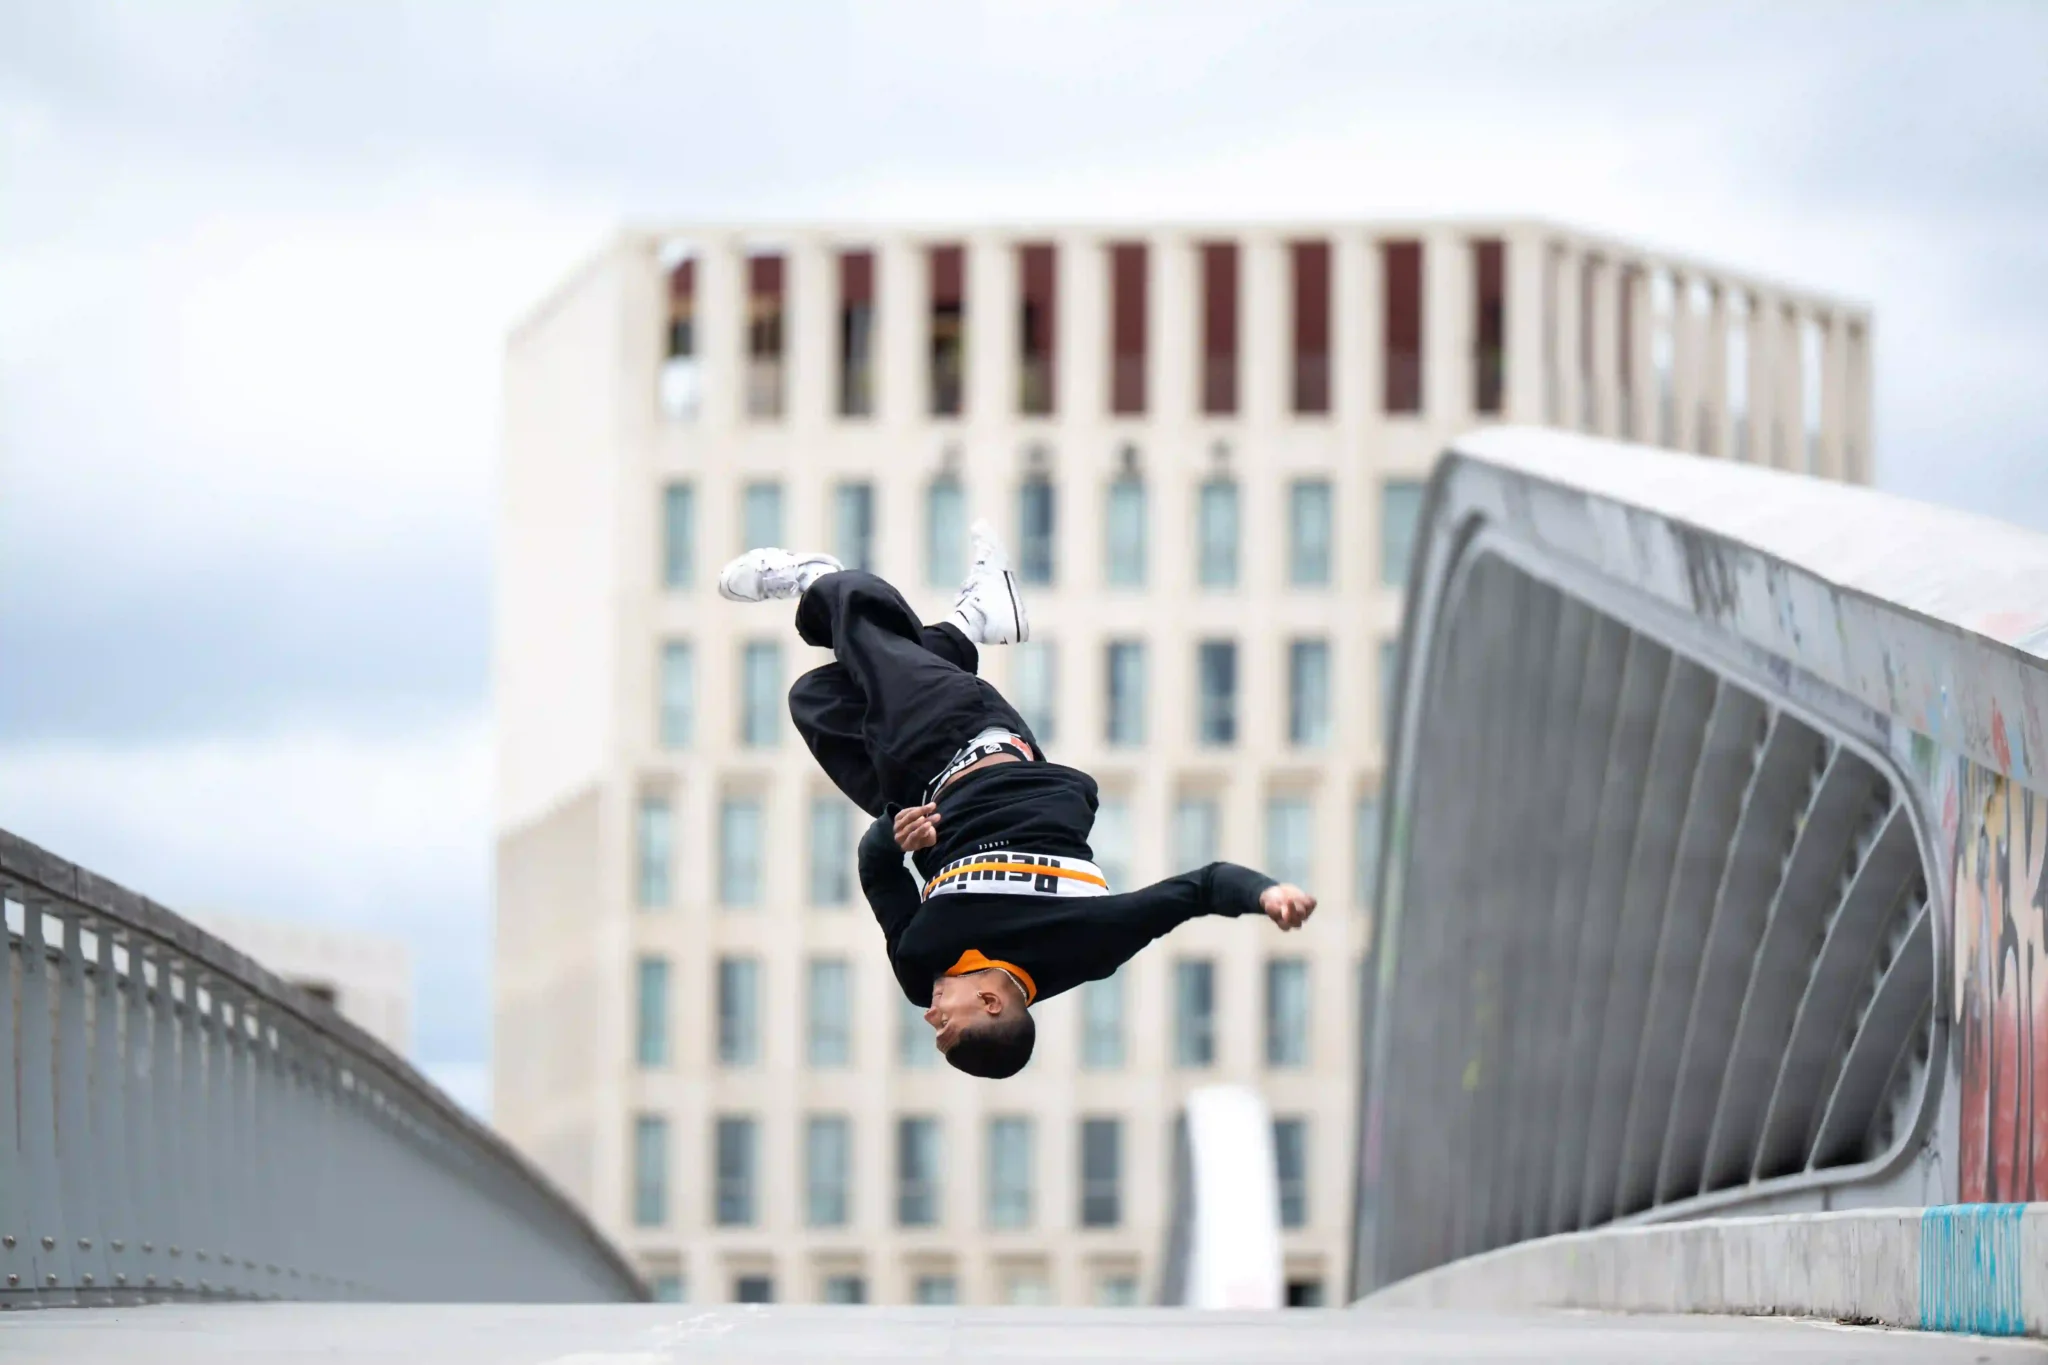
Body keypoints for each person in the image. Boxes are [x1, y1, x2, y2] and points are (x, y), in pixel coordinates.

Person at [717, 521, 1317, 1079]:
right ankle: (818, 579)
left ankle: (971, 623)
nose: (930, 1014)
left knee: (819, 696)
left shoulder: (921, 962)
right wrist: (1267, 894)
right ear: (989, 1002)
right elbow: (1201, 888)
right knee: (863, 635)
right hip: (973, 740)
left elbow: (878, 871)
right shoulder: (1085, 943)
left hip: (910, 785)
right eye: (947, 1024)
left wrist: (895, 832)